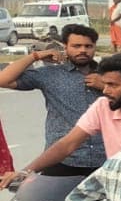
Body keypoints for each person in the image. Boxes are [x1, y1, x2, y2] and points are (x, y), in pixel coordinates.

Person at [3, 52, 121, 185]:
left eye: (112, 85)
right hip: (115, 187)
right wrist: (25, 171)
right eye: (105, 84)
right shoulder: (103, 106)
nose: (105, 90)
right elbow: (68, 144)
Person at [0, 24, 107, 176]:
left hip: (105, 161)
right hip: (62, 160)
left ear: (94, 47)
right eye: (76, 46)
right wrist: (36, 56)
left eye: (88, 46)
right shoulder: (50, 74)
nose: (83, 50)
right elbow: (3, 80)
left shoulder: (111, 75)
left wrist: (106, 86)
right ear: (65, 47)